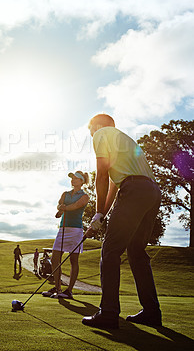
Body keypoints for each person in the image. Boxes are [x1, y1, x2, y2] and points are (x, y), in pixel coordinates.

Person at [82, 113, 162, 330]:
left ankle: (108, 313)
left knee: (110, 251)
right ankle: (152, 312)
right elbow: (114, 186)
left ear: (97, 125)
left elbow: (102, 175)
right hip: (152, 192)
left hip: (134, 189)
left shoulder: (101, 133)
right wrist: (101, 214)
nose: (91, 134)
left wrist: (97, 212)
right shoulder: (125, 139)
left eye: (90, 129)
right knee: (136, 252)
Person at [42, 171, 89, 299]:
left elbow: (74, 206)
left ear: (82, 181)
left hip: (75, 230)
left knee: (74, 260)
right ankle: (57, 288)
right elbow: (59, 205)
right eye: (72, 178)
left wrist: (63, 208)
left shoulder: (85, 196)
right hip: (63, 229)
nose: (73, 180)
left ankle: (69, 291)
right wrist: (60, 208)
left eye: (76, 178)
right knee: (55, 258)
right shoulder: (65, 194)